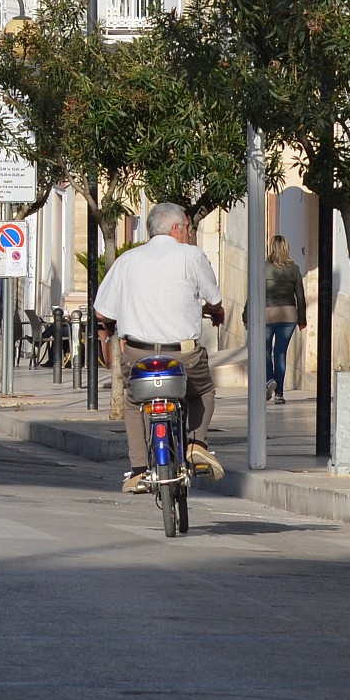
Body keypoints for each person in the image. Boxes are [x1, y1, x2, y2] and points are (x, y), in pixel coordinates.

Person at [93, 202, 226, 492]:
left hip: (138, 354)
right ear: (175, 228)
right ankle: (197, 444)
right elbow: (214, 299)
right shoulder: (191, 255)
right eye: (188, 228)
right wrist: (215, 311)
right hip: (183, 354)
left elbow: (102, 312)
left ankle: (139, 469)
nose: (189, 233)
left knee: (133, 401)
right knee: (203, 391)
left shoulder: (127, 260)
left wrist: (113, 326)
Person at [264, 235, 307, 405]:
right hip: (289, 315)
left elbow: (254, 292)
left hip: (267, 314)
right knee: (280, 353)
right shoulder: (294, 269)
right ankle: (279, 393)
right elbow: (300, 297)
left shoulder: (264, 267)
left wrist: (247, 315)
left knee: (265, 351)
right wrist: (302, 319)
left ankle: (269, 379)